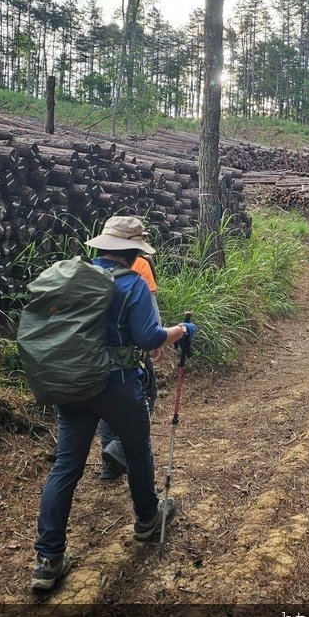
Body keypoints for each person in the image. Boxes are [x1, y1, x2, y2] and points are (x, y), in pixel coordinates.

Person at [31, 215, 196, 592]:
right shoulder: (133, 284)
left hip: (71, 382)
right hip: (117, 386)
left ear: (101, 247)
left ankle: (47, 559)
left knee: (66, 467)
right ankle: (147, 520)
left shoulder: (73, 278)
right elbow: (150, 337)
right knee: (138, 453)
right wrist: (183, 330)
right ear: (134, 251)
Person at [99, 246, 161, 481]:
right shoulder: (142, 266)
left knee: (105, 410)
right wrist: (158, 339)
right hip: (126, 353)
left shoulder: (87, 271)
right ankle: (120, 450)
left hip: (87, 359)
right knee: (149, 393)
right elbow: (150, 303)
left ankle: (110, 467)